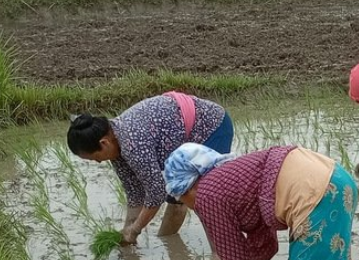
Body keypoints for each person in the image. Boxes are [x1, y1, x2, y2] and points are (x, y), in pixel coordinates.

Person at [163, 143, 358, 260]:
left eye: (181, 199)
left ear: (188, 187)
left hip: (316, 194)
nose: (188, 207)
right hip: (336, 179)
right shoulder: (232, 180)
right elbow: (267, 247)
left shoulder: (207, 194)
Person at [66, 93, 235, 243]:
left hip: (211, 126)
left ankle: (219, 255)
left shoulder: (132, 144)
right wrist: (126, 232)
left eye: (95, 158)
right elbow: (135, 193)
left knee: (203, 197)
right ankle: (169, 242)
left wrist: (135, 230)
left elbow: (156, 192)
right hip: (184, 127)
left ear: (104, 143)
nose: (98, 162)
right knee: (177, 195)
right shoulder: (115, 143)